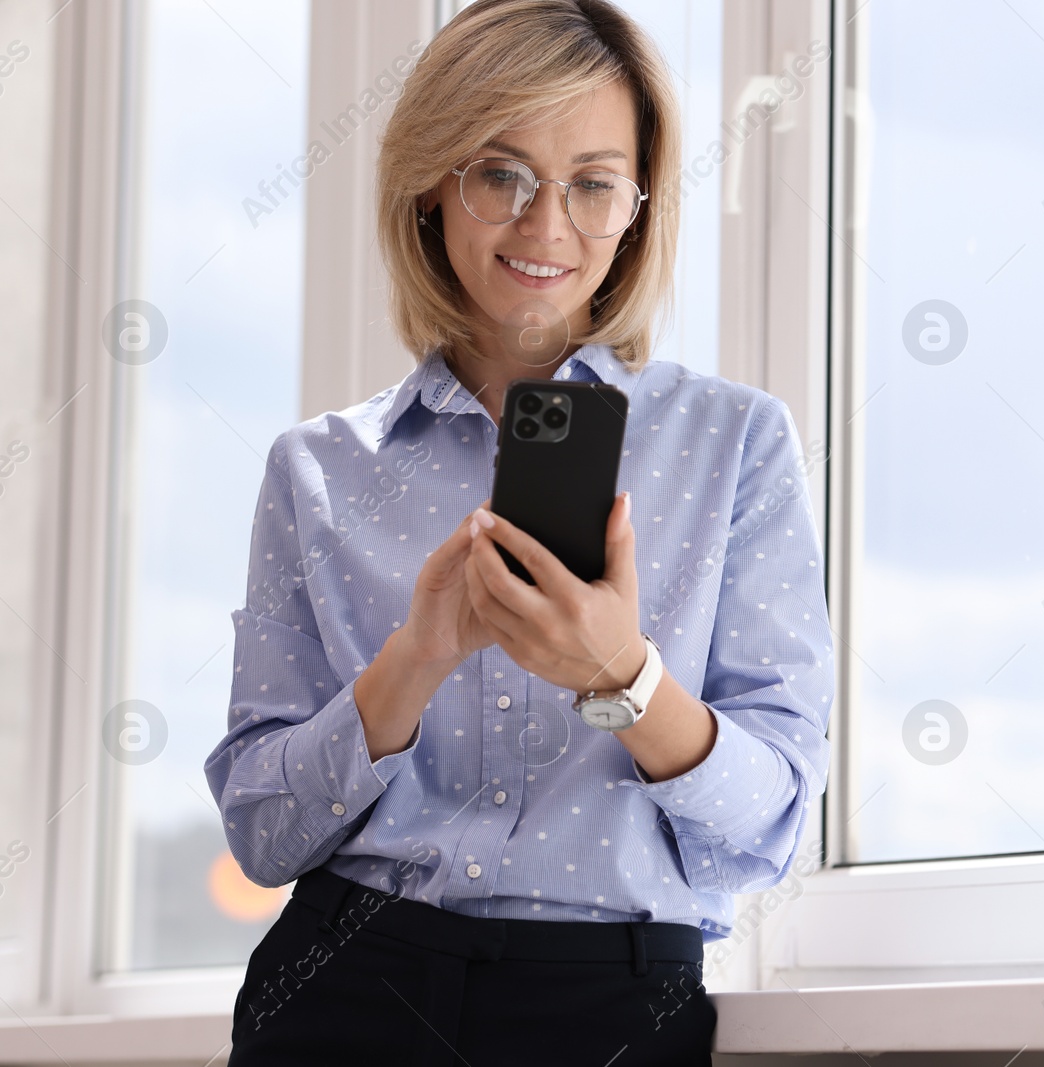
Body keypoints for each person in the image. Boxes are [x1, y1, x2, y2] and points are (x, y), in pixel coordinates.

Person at [203, 1, 834, 1063]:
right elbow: (264, 837)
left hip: (611, 1004)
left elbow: (768, 827)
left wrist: (624, 674)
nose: (546, 230)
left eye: (592, 184)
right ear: (432, 187)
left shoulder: (738, 444)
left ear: (637, 207)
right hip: (344, 985)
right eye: (500, 175)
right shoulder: (315, 469)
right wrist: (412, 662)